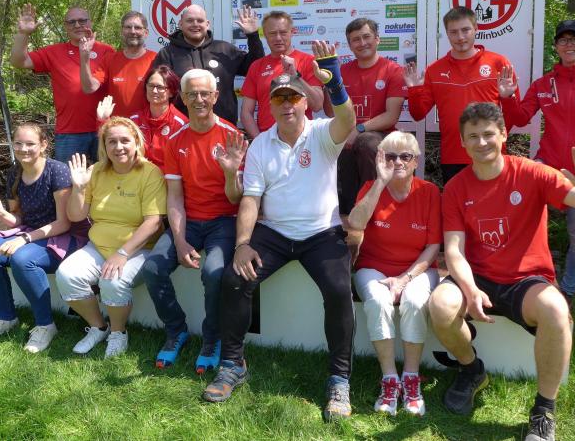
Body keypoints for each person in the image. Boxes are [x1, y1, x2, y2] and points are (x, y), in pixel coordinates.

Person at [427, 103, 575, 440]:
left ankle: (544, 410)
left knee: (556, 310)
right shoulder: (455, 188)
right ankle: (471, 369)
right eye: (473, 136)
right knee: (440, 305)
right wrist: (470, 289)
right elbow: (453, 250)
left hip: (525, 280)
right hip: (478, 275)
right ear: (463, 142)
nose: (482, 142)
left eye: (488, 134)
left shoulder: (533, 173)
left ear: (503, 135)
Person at [203, 41, 356, 421]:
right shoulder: (260, 145)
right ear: (269, 106)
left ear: (306, 102)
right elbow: (250, 199)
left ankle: (339, 378)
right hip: (273, 233)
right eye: (279, 98)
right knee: (234, 279)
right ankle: (233, 364)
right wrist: (242, 244)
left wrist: (334, 80)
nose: (287, 104)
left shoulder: (322, 133)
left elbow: (348, 119)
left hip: (321, 233)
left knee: (339, 291)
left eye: (294, 97)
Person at [500, 19, 575, 304]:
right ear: (556, 46)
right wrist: (507, 96)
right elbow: (520, 118)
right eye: (563, 40)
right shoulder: (545, 83)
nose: (569, 45)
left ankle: (567, 289)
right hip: (547, 163)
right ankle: (525, 276)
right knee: (524, 221)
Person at [142, 69, 247, 373]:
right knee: (153, 269)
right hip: (188, 220)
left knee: (214, 273)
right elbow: (175, 197)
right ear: (183, 98)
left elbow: (236, 199)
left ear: (215, 96)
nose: (199, 99)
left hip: (223, 221)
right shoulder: (175, 140)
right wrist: (179, 241)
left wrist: (230, 173)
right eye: (192, 94)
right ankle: (176, 330)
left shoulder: (231, 136)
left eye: (205, 93)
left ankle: (212, 337)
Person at [347, 131, 441, 417]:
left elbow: (433, 246)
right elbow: (355, 223)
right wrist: (380, 182)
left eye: (405, 156)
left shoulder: (429, 192)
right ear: (381, 159)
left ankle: (411, 379)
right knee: (378, 300)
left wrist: (405, 279)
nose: (397, 162)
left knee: (414, 300)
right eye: (390, 156)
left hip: (418, 269)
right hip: (373, 267)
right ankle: (389, 379)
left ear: (416, 161)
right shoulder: (370, 187)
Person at [56, 117, 166, 357]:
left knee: (112, 281)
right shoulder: (96, 171)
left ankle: (118, 332)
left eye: (125, 140)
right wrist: (79, 188)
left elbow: (153, 222)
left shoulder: (150, 173)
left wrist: (122, 253)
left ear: (136, 142)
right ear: (104, 146)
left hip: (138, 249)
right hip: (98, 246)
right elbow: (76, 215)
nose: (119, 147)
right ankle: (98, 327)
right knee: (67, 275)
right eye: (112, 142)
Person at [0, 123, 84, 353]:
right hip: (32, 234)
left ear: (43, 145)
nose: (24, 149)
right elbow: (19, 219)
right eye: (19, 143)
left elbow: (64, 223)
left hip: (63, 237)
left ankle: (45, 325)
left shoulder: (57, 171)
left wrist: (24, 239)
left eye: (30, 143)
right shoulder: (15, 172)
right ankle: (6, 317)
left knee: (22, 259)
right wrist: (0, 213)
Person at [406, 6, 518, 184]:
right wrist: (414, 90)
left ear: (476, 29)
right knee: (457, 202)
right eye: (454, 32)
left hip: (491, 152)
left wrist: (508, 99)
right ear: (447, 34)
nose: (460, 37)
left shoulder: (498, 63)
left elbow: (517, 118)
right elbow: (418, 114)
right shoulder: (435, 70)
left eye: (465, 30)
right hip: (453, 156)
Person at [10, 4, 114, 162]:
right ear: (65, 26)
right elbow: (19, 62)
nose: (77, 25)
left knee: (107, 176)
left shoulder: (107, 51)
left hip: (104, 128)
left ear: (90, 22)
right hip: (69, 132)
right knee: (66, 177)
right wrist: (23, 34)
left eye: (82, 20)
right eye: (71, 22)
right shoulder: (54, 51)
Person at [150, 4, 264, 125]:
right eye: (190, 21)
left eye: (200, 20)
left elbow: (256, 68)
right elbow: (157, 91)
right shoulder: (167, 54)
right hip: (181, 128)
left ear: (207, 24)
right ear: (180, 24)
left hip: (224, 127)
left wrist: (253, 36)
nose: (195, 24)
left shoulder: (224, 49)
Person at [337, 18, 406, 214]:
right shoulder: (342, 72)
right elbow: (330, 111)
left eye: (366, 37)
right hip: (349, 134)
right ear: (350, 45)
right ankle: (346, 213)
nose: (362, 43)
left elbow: (391, 116)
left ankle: (374, 208)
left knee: (366, 142)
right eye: (356, 39)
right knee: (335, 146)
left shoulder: (393, 70)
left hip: (381, 135)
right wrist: (329, 84)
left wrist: (358, 129)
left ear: (377, 39)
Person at [240, 10, 325, 138]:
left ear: (292, 32)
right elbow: (246, 113)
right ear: (265, 35)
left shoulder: (308, 61)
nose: (278, 38)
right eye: (272, 33)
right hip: (267, 139)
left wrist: (295, 75)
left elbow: (317, 105)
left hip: (303, 139)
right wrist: (259, 141)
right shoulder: (256, 66)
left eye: (283, 32)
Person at [96, 65, 187, 170]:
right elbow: (112, 142)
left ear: (171, 92)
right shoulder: (135, 120)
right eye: (151, 86)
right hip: (136, 175)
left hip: (166, 178)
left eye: (160, 87)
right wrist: (103, 120)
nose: (154, 91)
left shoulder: (181, 124)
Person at [80, 11, 156, 117]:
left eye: (138, 27)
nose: (132, 31)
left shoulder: (155, 59)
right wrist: (84, 57)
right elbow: (89, 88)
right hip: (117, 125)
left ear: (146, 32)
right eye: (128, 27)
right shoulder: (110, 59)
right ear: (122, 31)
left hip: (146, 125)